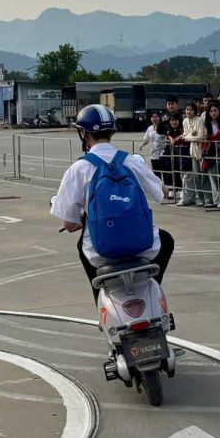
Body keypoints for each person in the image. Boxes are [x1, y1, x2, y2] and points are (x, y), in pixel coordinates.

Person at [51, 104, 173, 298]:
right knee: (166, 240)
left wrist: (77, 222)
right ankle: (153, 290)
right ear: (112, 131)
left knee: (83, 247)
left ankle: (100, 301)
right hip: (143, 246)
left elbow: (69, 224)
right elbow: (163, 193)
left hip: (100, 252)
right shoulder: (131, 161)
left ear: (83, 133)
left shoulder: (78, 169)